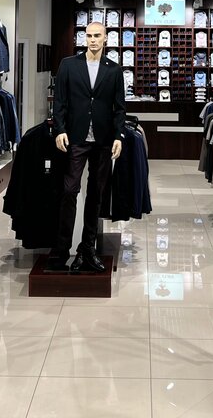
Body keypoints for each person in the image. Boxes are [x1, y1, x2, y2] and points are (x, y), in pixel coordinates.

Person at [47, 21, 126, 273]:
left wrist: (118, 136)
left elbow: (119, 107)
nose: (92, 40)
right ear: (84, 38)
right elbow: (59, 101)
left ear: (105, 38)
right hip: (76, 138)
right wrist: (60, 129)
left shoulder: (114, 70)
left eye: (97, 36)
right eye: (89, 35)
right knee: (69, 190)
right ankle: (61, 249)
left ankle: (87, 249)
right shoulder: (69, 65)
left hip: (103, 140)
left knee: (96, 194)